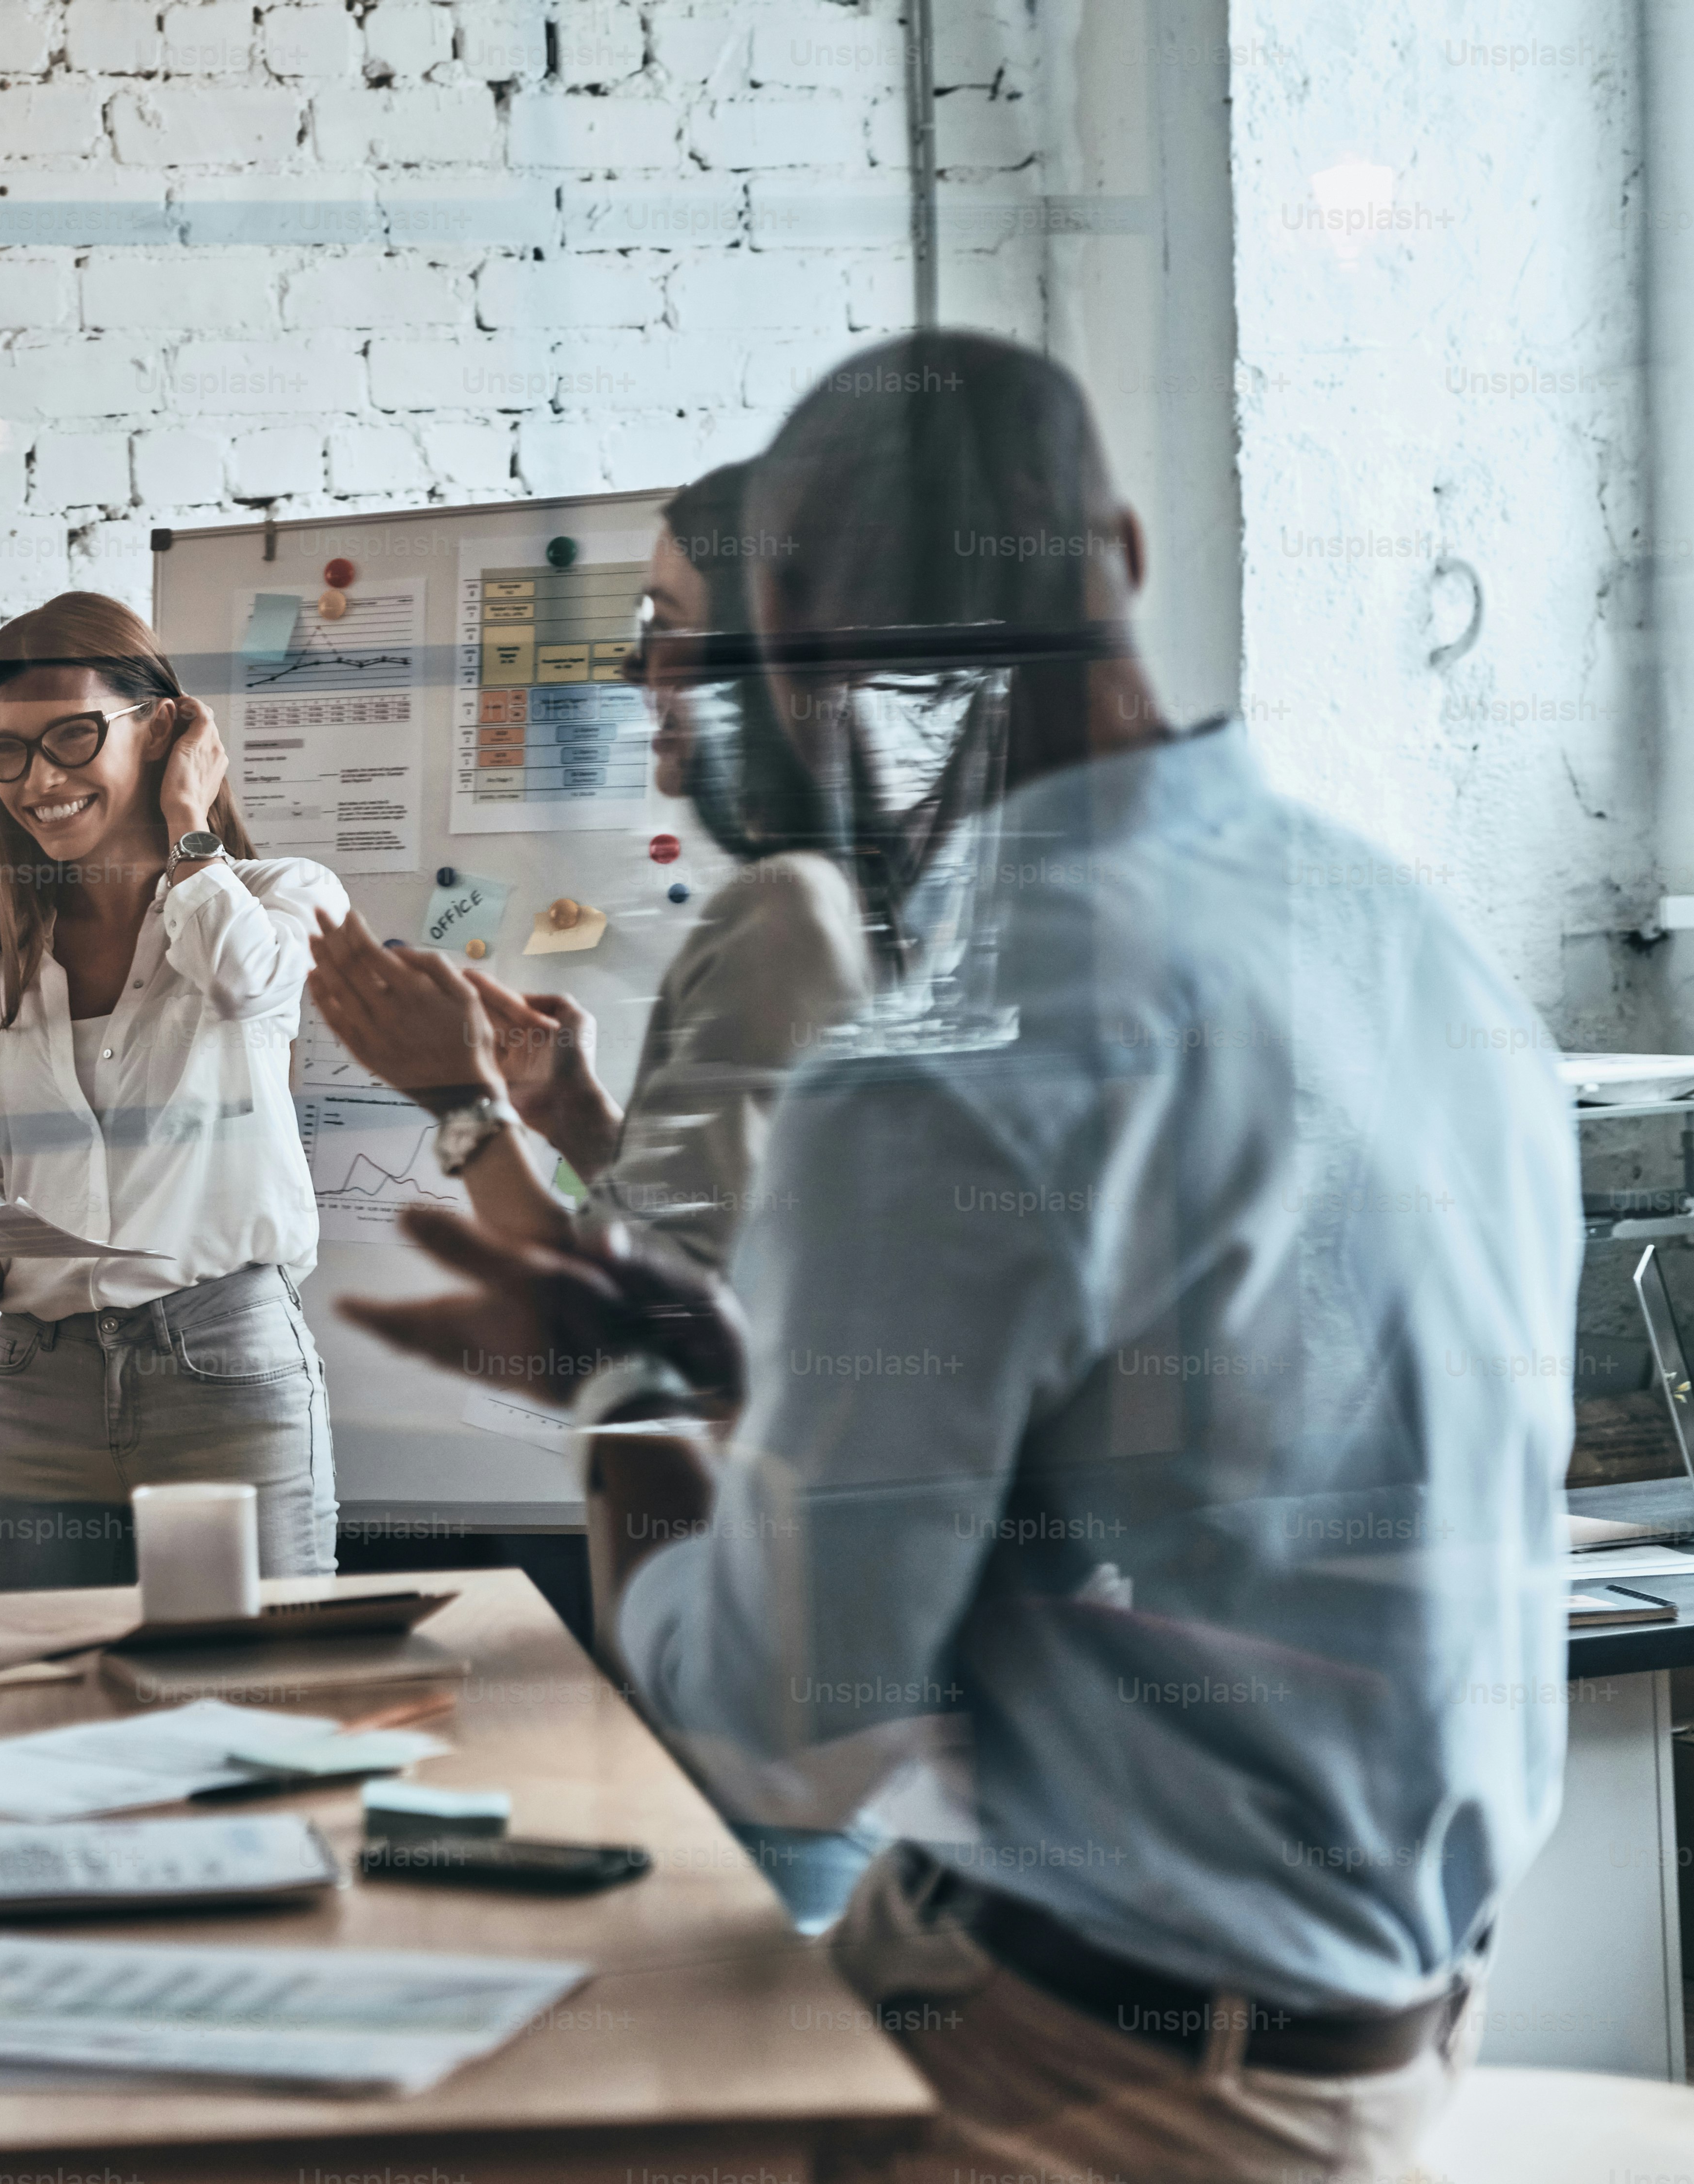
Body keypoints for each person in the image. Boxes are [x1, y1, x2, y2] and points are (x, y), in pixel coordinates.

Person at [344, 333, 1575, 2184]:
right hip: (1398, 2035)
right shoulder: (1401, 931)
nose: (670, 700)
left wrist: (621, 1384)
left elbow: (779, 1729)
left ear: (808, 643)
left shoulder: (947, 1069)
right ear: (1127, 554)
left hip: (1088, 2077)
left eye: (711, 649)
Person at [0, 592, 349, 1588]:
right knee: (40, 1697)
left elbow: (246, 984)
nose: (37, 780)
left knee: (259, 1694)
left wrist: (187, 825)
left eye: (72, 736)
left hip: (220, 1363)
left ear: (163, 726)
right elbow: (6, 1199)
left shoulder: (275, 896)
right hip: (42, 1383)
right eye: (5, 752)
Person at [303, 460, 873, 1278]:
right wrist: (578, 1120)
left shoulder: (788, 913)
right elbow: (723, 1255)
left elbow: (630, 1315)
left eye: (666, 627)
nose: (636, 670)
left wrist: (461, 1105)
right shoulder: (860, 890)